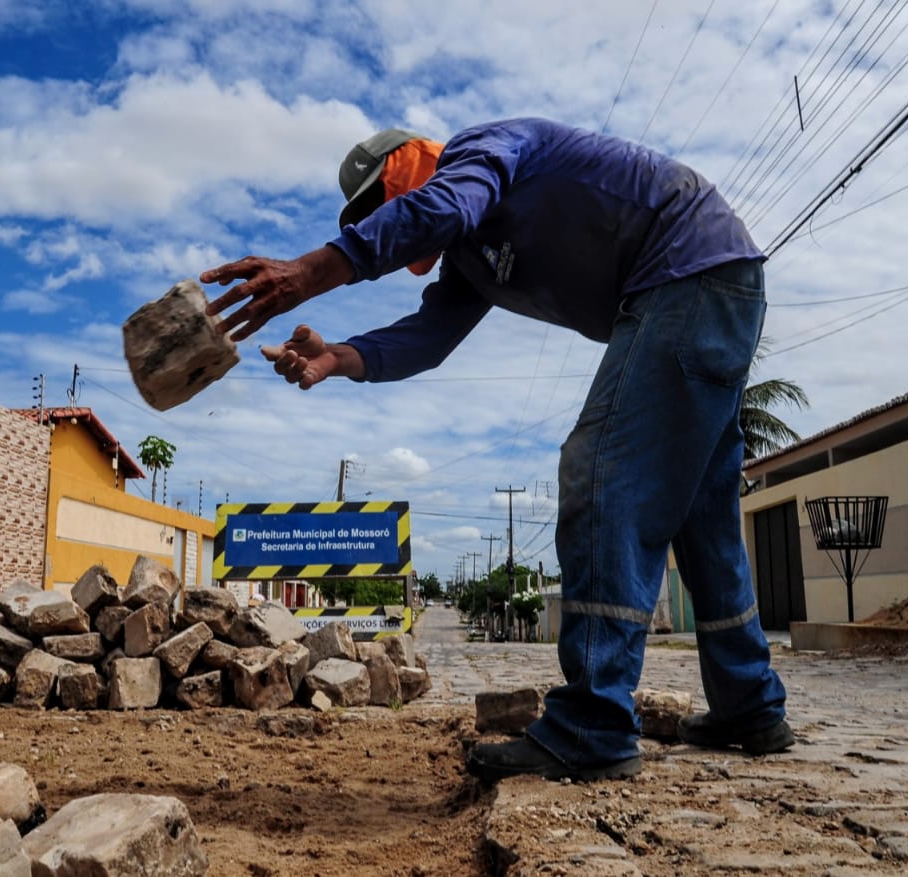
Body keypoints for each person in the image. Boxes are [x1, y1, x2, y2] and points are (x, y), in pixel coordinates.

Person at [200, 118, 793, 782]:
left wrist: (310, 271)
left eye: (383, 199)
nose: (385, 217)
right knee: (703, 513)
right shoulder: (472, 262)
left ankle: (593, 723)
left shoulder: (481, 150)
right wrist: (339, 356)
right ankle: (749, 703)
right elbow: (429, 335)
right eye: (371, 215)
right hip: (713, 284)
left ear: (409, 160)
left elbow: (442, 204)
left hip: (691, 268)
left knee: (602, 471)